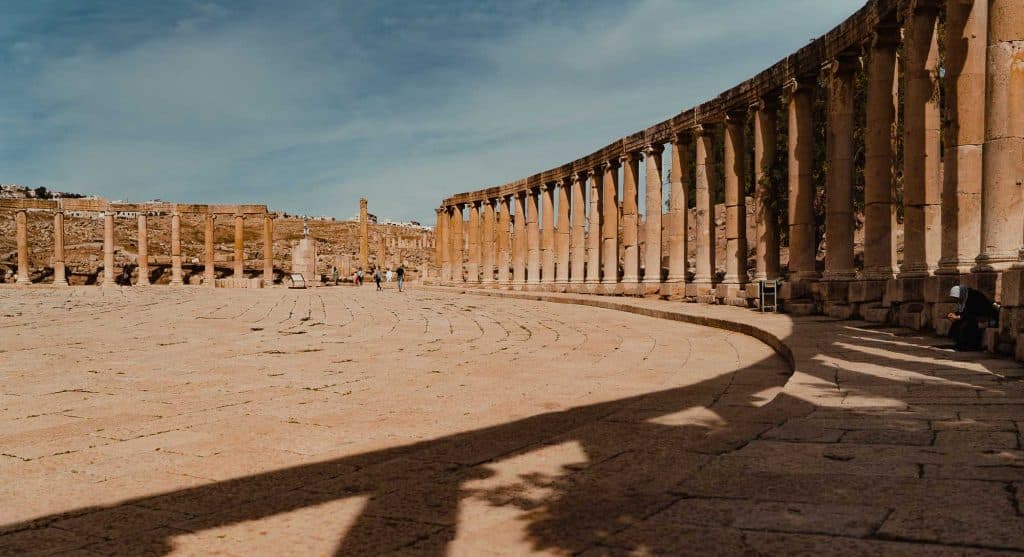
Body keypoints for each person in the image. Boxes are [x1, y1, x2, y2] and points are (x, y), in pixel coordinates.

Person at [945, 285, 997, 351]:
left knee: (968, 324)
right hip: (973, 316)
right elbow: (964, 312)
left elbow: (974, 312)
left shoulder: (974, 297)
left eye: (956, 298)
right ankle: (959, 343)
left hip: (985, 317)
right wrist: (954, 315)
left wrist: (958, 317)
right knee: (959, 322)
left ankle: (970, 345)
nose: (956, 300)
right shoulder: (964, 297)